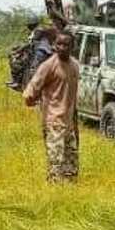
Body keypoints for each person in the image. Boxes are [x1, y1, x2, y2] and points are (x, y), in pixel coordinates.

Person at [23, 29, 80, 183]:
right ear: (54, 45)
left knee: (71, 164)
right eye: (58, 44)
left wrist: (75, 123)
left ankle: (69, 196)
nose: (61, 47)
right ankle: (53, 196)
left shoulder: (75, 65)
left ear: (72, 46)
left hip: (69, 123)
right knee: (56, 163)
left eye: (66, 45)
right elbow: (32, 89)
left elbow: (73, 95)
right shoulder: (48, 65)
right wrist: (31, 99)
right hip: (54, 121)